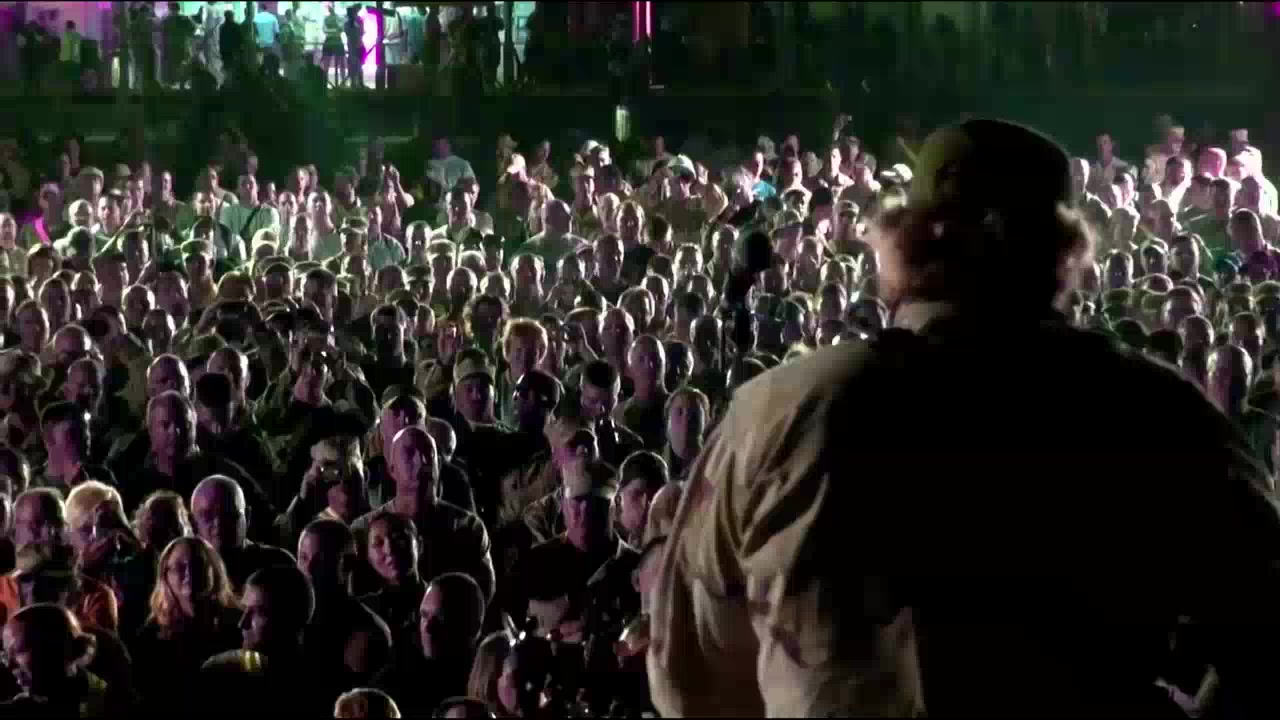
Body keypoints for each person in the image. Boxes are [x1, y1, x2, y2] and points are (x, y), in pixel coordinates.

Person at [648, 118, 1280, 716]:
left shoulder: (780, 411)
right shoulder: (1155, 414)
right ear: (1064, 250)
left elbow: (688, 675)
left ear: (903, 240)